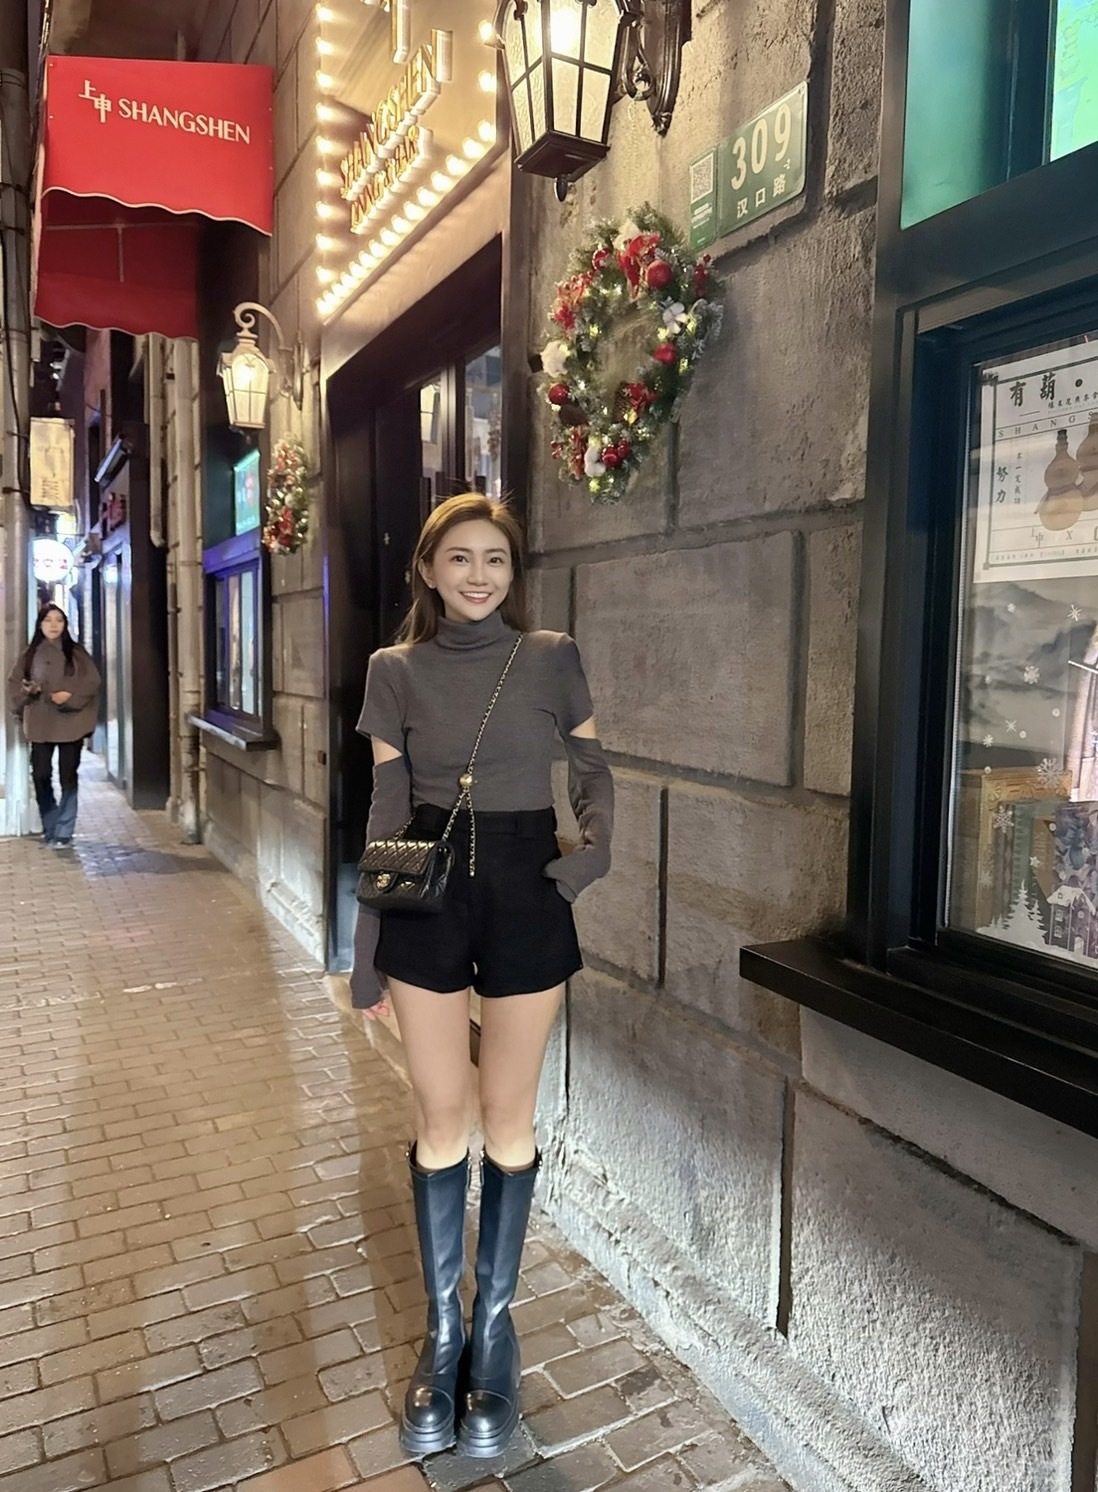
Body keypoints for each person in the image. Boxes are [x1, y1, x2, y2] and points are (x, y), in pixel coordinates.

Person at [350, 492, 613, 1459]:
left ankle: (493, 1332)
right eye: (458, 557)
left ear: (512, 571)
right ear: (427, 568)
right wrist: (365, 952)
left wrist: (585, 864)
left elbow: (593, 772)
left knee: (508, 1118)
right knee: (441, 1118)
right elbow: (386, 804)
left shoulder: (550, 656)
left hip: (523, 886)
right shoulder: (392, 669)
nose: (478, 574)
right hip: (422, 883)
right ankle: (444, 1331)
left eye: (495, 558)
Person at [8, 603, 101, 847]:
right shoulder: (29, 655)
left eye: (59, 620)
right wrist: (28, 692)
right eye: (48, 620)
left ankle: (64, 829)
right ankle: (50, 824)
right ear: (40, 624)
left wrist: (69, 696)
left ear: (65, 625)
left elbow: (91, 682)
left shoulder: (77, 654)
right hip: (40, 723)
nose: (53, 625)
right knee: (40, 774)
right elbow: (14, 685)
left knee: (68, 775)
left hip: (72, 724)